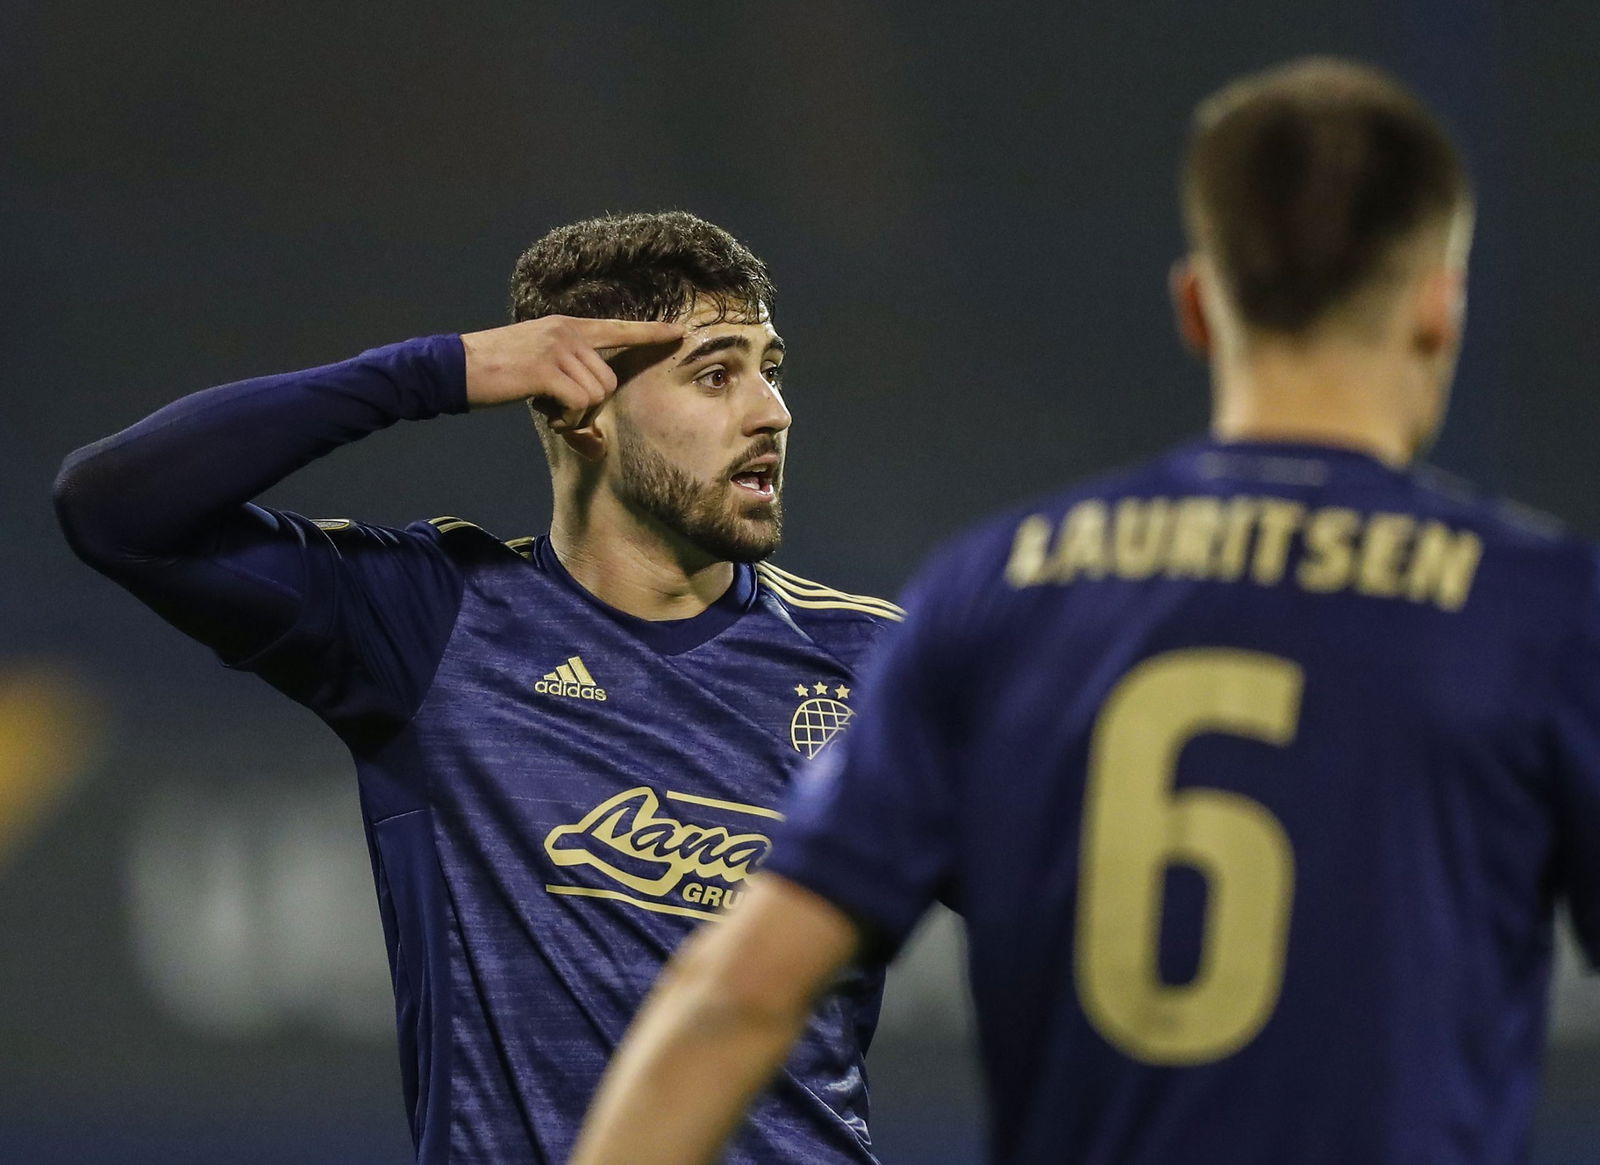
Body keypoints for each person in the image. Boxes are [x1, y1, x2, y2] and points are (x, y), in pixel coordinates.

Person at [572, 59, 1600, 1165]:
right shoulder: (1537, 613)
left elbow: (739, 995)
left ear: (1196, 306)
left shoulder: (1000, 590)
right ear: (1440, 307)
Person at [53, 210, 902, 1164]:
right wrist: (433, 372)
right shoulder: (429, 620)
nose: (771, 412)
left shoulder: (876, 665)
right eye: (716, 374)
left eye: (769, 369)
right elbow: (112, 507)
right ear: (581, 408)